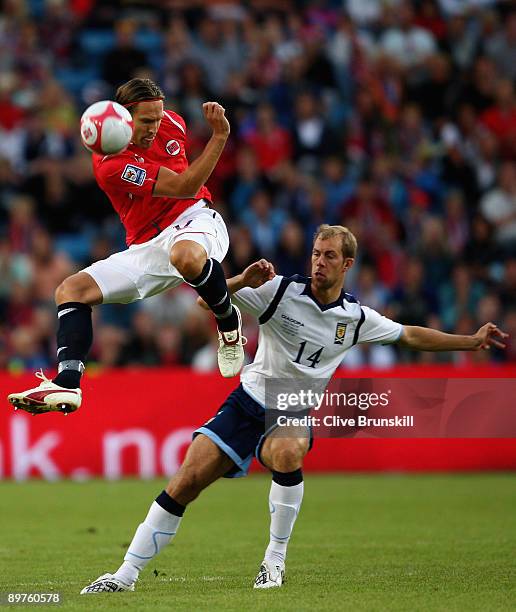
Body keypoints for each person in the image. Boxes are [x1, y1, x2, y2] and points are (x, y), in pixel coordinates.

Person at [80, 224, 507, 593]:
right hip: (247, 400)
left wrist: (469, 341)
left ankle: (274, 561)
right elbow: (203, 302)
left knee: (287, 450)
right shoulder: (279, 290)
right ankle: (126, 572)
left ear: (347, 265)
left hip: (291, 406)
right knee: (187, 480)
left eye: (330, 256)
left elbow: (409, 335)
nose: (320, 262)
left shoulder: (356, 318)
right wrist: (242, 280)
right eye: (316, 253)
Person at [8, 78, 246, 415]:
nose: (155, 127)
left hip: (197, 219)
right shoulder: (110, 165)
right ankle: (67, 382)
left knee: (185, 256)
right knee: (71, 289)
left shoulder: (172, 122)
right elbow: (183, 184)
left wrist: (187, 131)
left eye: (158, 118)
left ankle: (227, 321)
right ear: (123, 118)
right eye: (146, 121)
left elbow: (190, 191)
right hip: (146, 245)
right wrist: (220, 136)